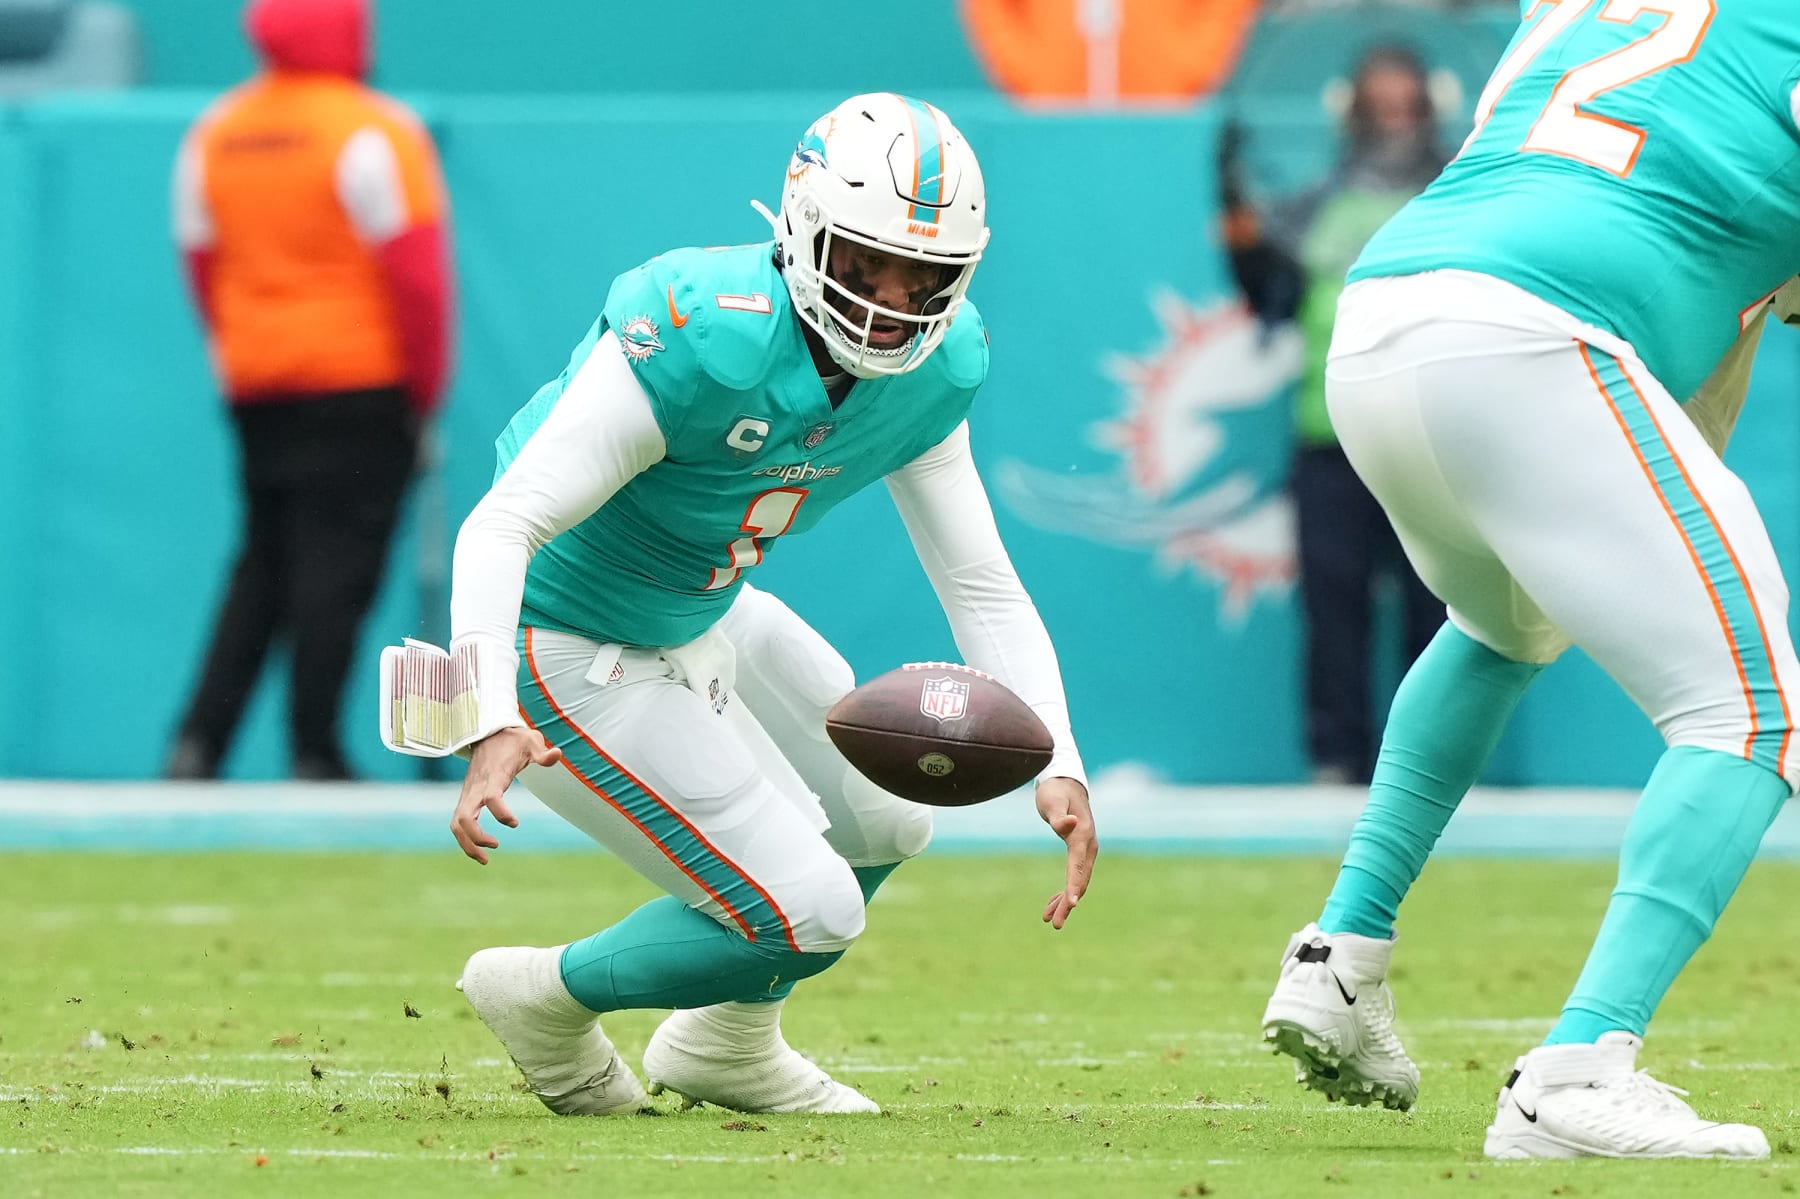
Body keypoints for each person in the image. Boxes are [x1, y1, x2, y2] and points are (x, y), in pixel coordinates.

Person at [416, 93, 1096, 1116]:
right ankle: (542, 994)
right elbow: (499, 523)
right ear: (804, 228)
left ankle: (728, 1042)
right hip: (554, 635)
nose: (894, 301)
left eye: (927, 276)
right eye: (870, 263)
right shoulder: (699, 329)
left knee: (887, 812)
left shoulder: (937, 368)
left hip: (701, 608)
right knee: (811, 912)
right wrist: (483, 709)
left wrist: (1062, 765)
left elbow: (979, 580)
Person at [1258, 2, 1800, 1160]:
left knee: (1501, 622)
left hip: (1388, 307)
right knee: (1754, 714)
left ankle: (1340, 955)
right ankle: (1577, 1067)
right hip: (1542, 331)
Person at [166, 0, 453, 781]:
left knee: (262, 564)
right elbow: (418, 278)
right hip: (360, 383)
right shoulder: (375, 129)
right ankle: (314, 749)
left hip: (258, 384)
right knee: (339, 571)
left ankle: (197, 744)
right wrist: (425, 391)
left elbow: (202, 262)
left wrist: (241, 351)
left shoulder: (216, 132)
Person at [1224, 45, 1447, 785]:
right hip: (1328, 439)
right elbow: (1265, 293)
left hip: (1433, 439)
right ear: (1350, 113)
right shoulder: (1310, 205)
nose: (1391, 120)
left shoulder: (1456, 200)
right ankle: (1337, 759)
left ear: (1427, 110)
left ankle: (1431, 764)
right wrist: (1229, 202)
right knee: (1334, 610)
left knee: (1440, 612)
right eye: (1377, 107)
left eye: (1403, 106)